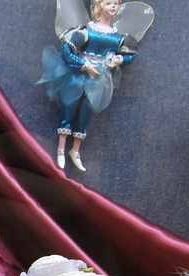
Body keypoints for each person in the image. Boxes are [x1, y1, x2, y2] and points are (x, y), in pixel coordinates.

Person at [39, 0, 139, 171]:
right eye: (109, 3)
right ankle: (61, 149)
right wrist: (85, 65)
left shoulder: (118, 38)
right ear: (98, 5)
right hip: (77, 76)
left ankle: (75, 150)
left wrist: (118, 59)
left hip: (98, 80)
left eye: (116, 3)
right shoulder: (86, 31)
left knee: (86, 111)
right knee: (69, 107)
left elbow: (131, 53)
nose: (113, 6)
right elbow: (67, 52)